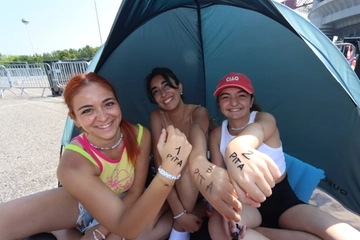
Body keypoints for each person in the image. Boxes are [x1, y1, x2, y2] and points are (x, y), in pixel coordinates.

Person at [0, 72, 192, 240]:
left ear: (118, 103)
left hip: (125, 203)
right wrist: (169, 169)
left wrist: (103, 233)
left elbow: (134, 193)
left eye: (108, 104)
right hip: (81, 204)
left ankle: (64, 232)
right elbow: (126, 227)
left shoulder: (140, 135)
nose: (102, 117)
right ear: (75, 118)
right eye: (88, 110)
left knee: (158, 226)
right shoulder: (72, 163)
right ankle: (63, 229)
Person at [207, 72, 360, 240]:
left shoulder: (264, 119)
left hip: (282, 201)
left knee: (338, 232)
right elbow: (217, 177)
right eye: (226, 97)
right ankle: (259, 231)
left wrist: (236, 148)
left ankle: (264, 231)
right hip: (247, 204)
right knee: (228, 228)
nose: (234, 102)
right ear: (219, 104)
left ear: (251, 100)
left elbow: (251, 136)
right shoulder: (217, 135)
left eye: (241, 95)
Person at [145, 67, 209, 240]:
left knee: (185, 158)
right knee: (144, 232)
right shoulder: (157, 116)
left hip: (197, 181)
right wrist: (180, 215)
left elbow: (196, 135)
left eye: (167, 86)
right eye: (156, 91)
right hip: (167, 185)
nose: (163, 93)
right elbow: (160, 166)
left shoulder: (199, 112)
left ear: (179, 87)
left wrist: (180, 215)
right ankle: (198, 212)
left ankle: (184, 225)